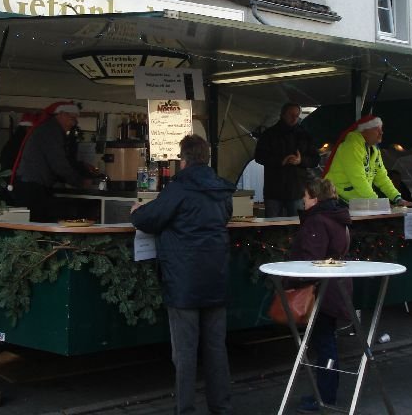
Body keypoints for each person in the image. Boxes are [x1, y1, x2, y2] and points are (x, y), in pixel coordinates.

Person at [131, 135, 234, 415]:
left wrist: (137, 211)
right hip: (216, 276)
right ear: (207, 158)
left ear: (183, 159)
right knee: (216, 348)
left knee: (185, 353)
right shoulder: (221, 189)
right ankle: (221, 407)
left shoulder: (179, 188)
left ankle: (186, 409)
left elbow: (149, 219)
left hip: (184, 280)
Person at [287, 177, 351, 414]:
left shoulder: (317, 221)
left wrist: (290, 281)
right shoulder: (337, 217)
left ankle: (325, 395)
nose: (303, 201)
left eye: (305, 196)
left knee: (324, 343)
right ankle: (326, 392)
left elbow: (309, 260)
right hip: (335, 287)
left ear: (315, 198)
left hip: (321, 290)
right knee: (327, 341)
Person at [11, 101, 84, 221]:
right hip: (32, 187)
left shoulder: (49, 129)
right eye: (72, 118)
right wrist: (80, 182)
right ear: (62, 114)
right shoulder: (52, 131)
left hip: (29, 184)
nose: (74, 123)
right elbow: (59, 164)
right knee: (37, 222)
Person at [324, 115, 412, 207]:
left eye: (381, 129)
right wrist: (376, 202)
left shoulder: (374, 149)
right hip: (337, 200)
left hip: (353, 202)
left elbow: (382, 177)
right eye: (376, 129)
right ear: (364, 131)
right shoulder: (351, 146)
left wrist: (397, 198)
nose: (381, 132)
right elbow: (358, 179)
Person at [254, 102, 320, 218]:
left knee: (296, 225)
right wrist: (281, 161)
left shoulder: (305, 136)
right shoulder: (269, 134)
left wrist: (301, 161)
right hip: (274, 190)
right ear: (282, 114)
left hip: (296, 191)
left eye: (297, 115)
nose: (294, 118)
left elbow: (315, 160)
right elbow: (259, 156)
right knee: (273, 226)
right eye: (291, 115)